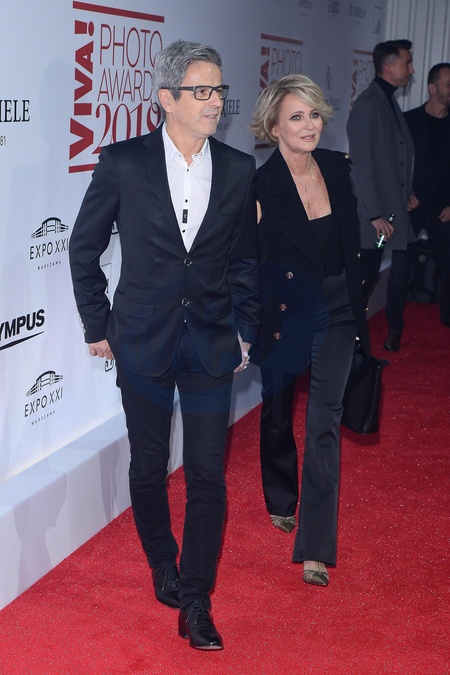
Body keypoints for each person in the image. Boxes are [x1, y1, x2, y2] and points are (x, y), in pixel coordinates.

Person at [69, 40, 260, 651]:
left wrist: (245, 328)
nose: (215, 101)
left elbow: (245, 262)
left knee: (207, 475)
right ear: (167, 99)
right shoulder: (124, 162)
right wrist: (98, 325)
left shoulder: (237, 168)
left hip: (210, 344)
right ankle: (162, 562)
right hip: (142, 341)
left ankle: (197, 601)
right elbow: (84, 247)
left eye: (218, 89)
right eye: (201, 91)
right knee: (149, 467)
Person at [249, 75, 370, 586]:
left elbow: (351, 242)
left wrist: (359, 297)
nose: (309, 125)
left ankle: (316, 547)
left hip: (338, 309)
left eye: (314, 114)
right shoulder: (260, 187)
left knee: (324, 420)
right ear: (274, 127)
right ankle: (281, 495)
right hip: (287, 314)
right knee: (278, 412)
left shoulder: (338, 168)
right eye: (296, 117)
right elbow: (248, 264)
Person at [347, 39, 419, 352]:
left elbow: (392, 157)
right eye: (407, 63)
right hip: (375, 218)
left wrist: (408, 192)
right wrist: (374, 214)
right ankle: (349, 342)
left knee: (385, 271)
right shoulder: (368, 105)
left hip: (392, 211)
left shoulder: (387, 100)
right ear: (389, 67)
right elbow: (361, 164)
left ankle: (378, 334)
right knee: (366, 275)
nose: (411, 70)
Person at [404, 62, 450, 327]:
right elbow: (396, 164)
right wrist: (404, 195)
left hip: (443, 210)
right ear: (432, 88)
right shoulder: (408, 121)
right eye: (448, 84)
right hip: (411, 207)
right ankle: (393, 326)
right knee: (399, 267)